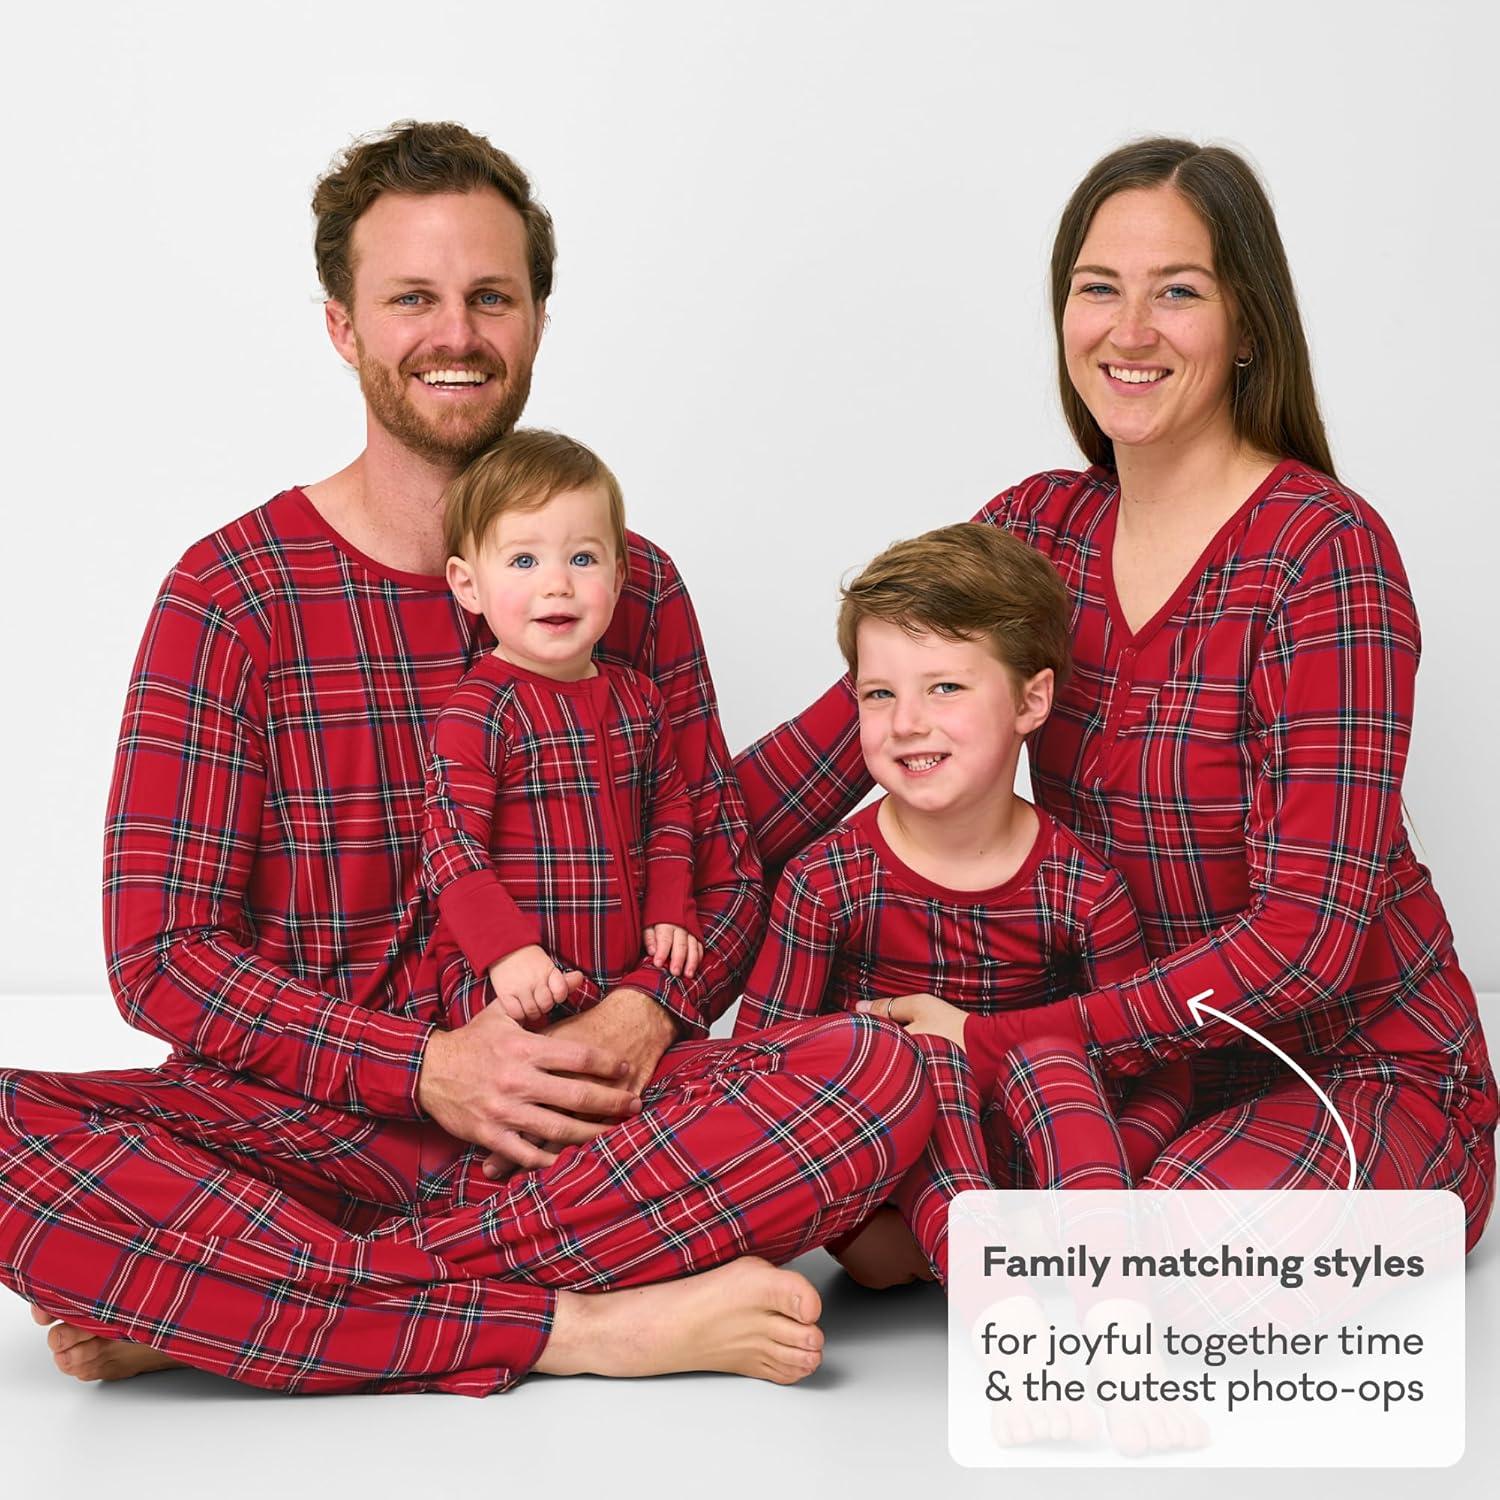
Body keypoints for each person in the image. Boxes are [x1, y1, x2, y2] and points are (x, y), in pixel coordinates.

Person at [0, 120, 935, 1394]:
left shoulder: (631, 586)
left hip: (578, 1126)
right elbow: (161, 959)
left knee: (887, 1073)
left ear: (538, 318)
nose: (457, 333)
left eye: (491, 296)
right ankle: (577, 1327)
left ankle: (252, 1301)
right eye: (413, 299)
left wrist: (648, 1012)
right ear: (344, 327)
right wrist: (428, 1069)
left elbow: (717, 866)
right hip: (302, 1137)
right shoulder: (231, 597)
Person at [735, 137, 1496, 1264]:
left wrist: (1003, 1039)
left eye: (1176, 292)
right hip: (1126, 1079)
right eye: (1099, 289)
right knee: (851, 1181)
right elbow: (829, 753)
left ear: (1248, 326)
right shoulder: (1037, 530)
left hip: (1350, 1072)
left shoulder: (1323, 554)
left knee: (1155, 1249)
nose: (1129, 331)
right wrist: (635, 970)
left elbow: (1304, 945)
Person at [734, 523, 1192, 1286]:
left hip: (1040, 1185)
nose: (906, 722)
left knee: (1050, 1059)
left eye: (944, 687)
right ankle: (992, 1291)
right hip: (887, 1194)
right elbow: (759, 1064)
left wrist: (1107, 1178)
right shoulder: (827, 879)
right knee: (926, 1060)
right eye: (879, 694)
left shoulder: (1080, 887)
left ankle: (1105, 1294)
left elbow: (1156, 1072)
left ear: (1031, 700)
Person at [419, 428, 702, 1051]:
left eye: (583, 559)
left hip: (621, 978)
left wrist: (669, 906)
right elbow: (450, 845)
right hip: (509, 980)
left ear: (619, 576)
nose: (558, 584)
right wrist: (505, 951)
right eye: (524, 561)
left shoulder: (637, 698)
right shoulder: (482, 708)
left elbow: (670, 811)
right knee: (530, 1074)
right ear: (469, 585)